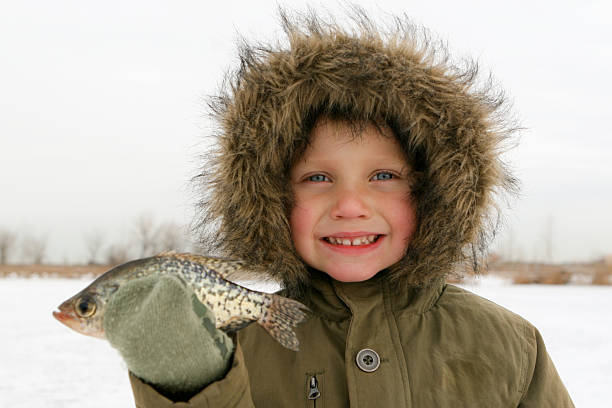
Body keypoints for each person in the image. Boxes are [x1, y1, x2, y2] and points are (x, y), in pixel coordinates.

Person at [103, 7, 575, 407]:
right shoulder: (231, 349)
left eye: (384, 176)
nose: (350, 205)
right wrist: (190, 381)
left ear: (436, 196)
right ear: (269, 199)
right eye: (317, 178)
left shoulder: (511, 344)